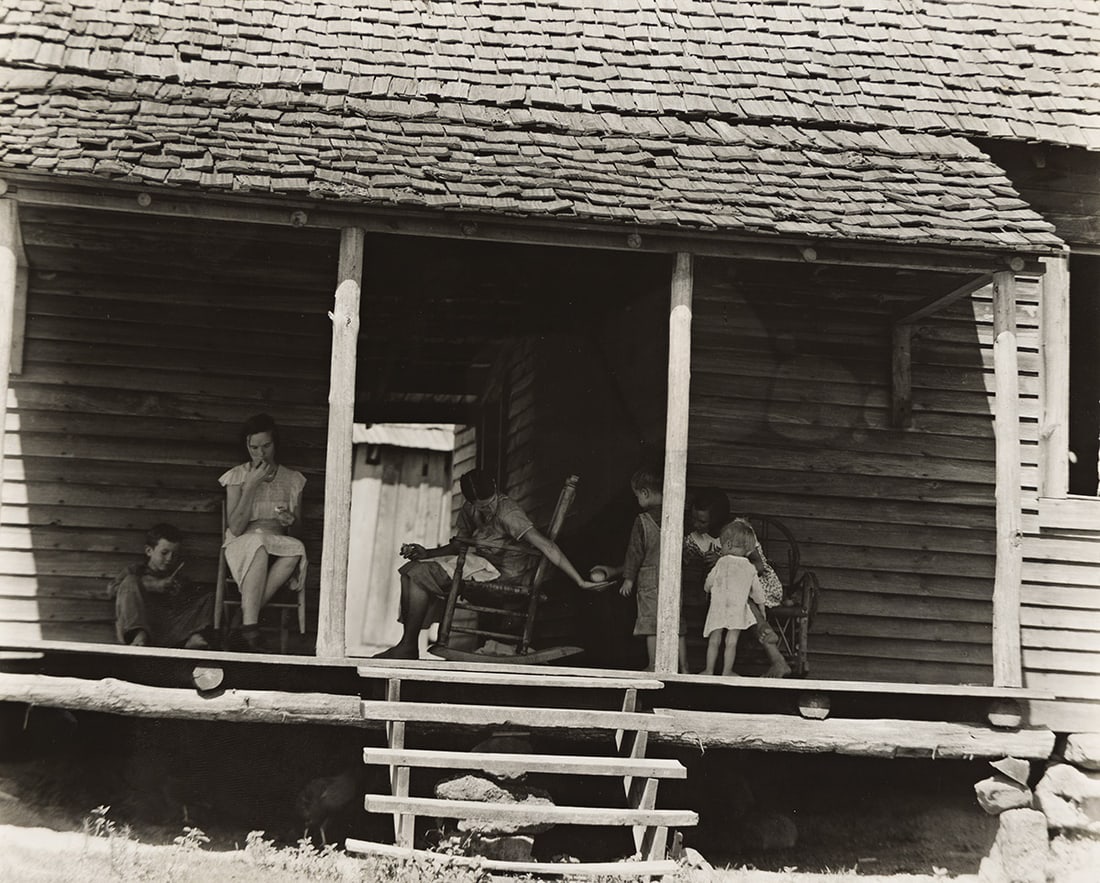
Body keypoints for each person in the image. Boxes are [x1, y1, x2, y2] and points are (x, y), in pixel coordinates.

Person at [375, 468, 602, 659]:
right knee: (411, 570)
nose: (484, 509)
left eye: (488, 503)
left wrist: (580, 581)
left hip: (507, 574)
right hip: (483, 567)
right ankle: (407, 643)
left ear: (494, 487)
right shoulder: (470, 507)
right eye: (478, 505)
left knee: (420, 574)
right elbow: (457, 545)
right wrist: (428, 553)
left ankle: (408, 646)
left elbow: (547, 546)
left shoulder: (508, 513)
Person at [218, 413, 307, 652]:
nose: (261, 453)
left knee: (297, 550)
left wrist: (290, 520)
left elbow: (298, 532)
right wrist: (252, 486)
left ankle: (243, 618)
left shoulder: (292, 479)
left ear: (275, 443)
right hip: (243, 540)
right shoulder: (237, 476)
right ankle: (249, 629)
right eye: (254, 447)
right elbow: (235, 528)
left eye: (266, 446)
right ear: (246, 446)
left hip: (277, 538)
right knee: (257, 543)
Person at [618, 465, 689, 673]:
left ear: (645, 493)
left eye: (637, 496)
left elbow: (634, 553)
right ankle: (684, 667)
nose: (637, 500)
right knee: (677, 623)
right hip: (674, 579)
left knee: (651, 624)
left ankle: (653, 664)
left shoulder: (642, 522)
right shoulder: (676, 518)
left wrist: (629, 579)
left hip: (650, 581)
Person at [107, 523, 214, 649]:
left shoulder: (179, 578)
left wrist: (179, 595)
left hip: (168, 630)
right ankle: (139, 635)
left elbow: (188, 609)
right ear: (149, 551)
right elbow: (112, 590)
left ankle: (190, 640)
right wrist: (153, 586)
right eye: (164, 553)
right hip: (141, 626)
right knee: (130, 581)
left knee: (210, 597)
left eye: (175, 554)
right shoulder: (135, 571)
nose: (169, 558)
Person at [702, 519, 777, 677]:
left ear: (728, 545)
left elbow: (709, 581)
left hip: (718, 607)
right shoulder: (749, 567)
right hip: (737, 609)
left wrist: (707, 589)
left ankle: (709, 670)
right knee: (731, 641)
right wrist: (762, 608)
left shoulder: (721, 562)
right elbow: (757, 591)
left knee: (714, 639)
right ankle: (727, 671)